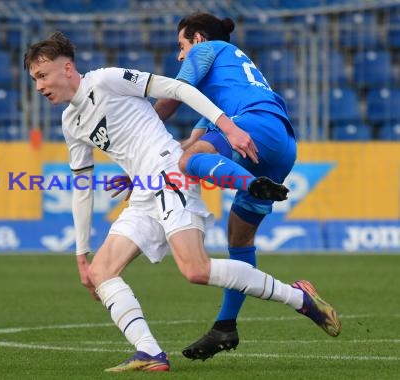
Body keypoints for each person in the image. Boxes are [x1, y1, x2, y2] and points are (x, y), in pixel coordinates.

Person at [24, 32, 341, 373]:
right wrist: (80, 254)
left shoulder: (106, 80)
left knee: (196, 270)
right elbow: (82, 186)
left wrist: (228, 127)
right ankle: (149, 353)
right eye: (34, 80)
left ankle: (298, 297)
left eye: (42, 76)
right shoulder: (70, 122)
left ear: (67, 67)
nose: (39, 86)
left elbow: (179, 89)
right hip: (144, 191)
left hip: (169, 172)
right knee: (101, 272)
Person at [152, 12, 301, 361]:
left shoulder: (209, 50)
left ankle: (253, 184)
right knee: (239, 238)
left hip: (253, 125)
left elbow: (173, 96)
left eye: (182, 45)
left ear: (199, 39)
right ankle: (225, 326)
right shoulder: (229, 81)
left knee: (190, 164)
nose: (179, 55)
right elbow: (191, 142)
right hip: (282, 144)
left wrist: (135, 121)